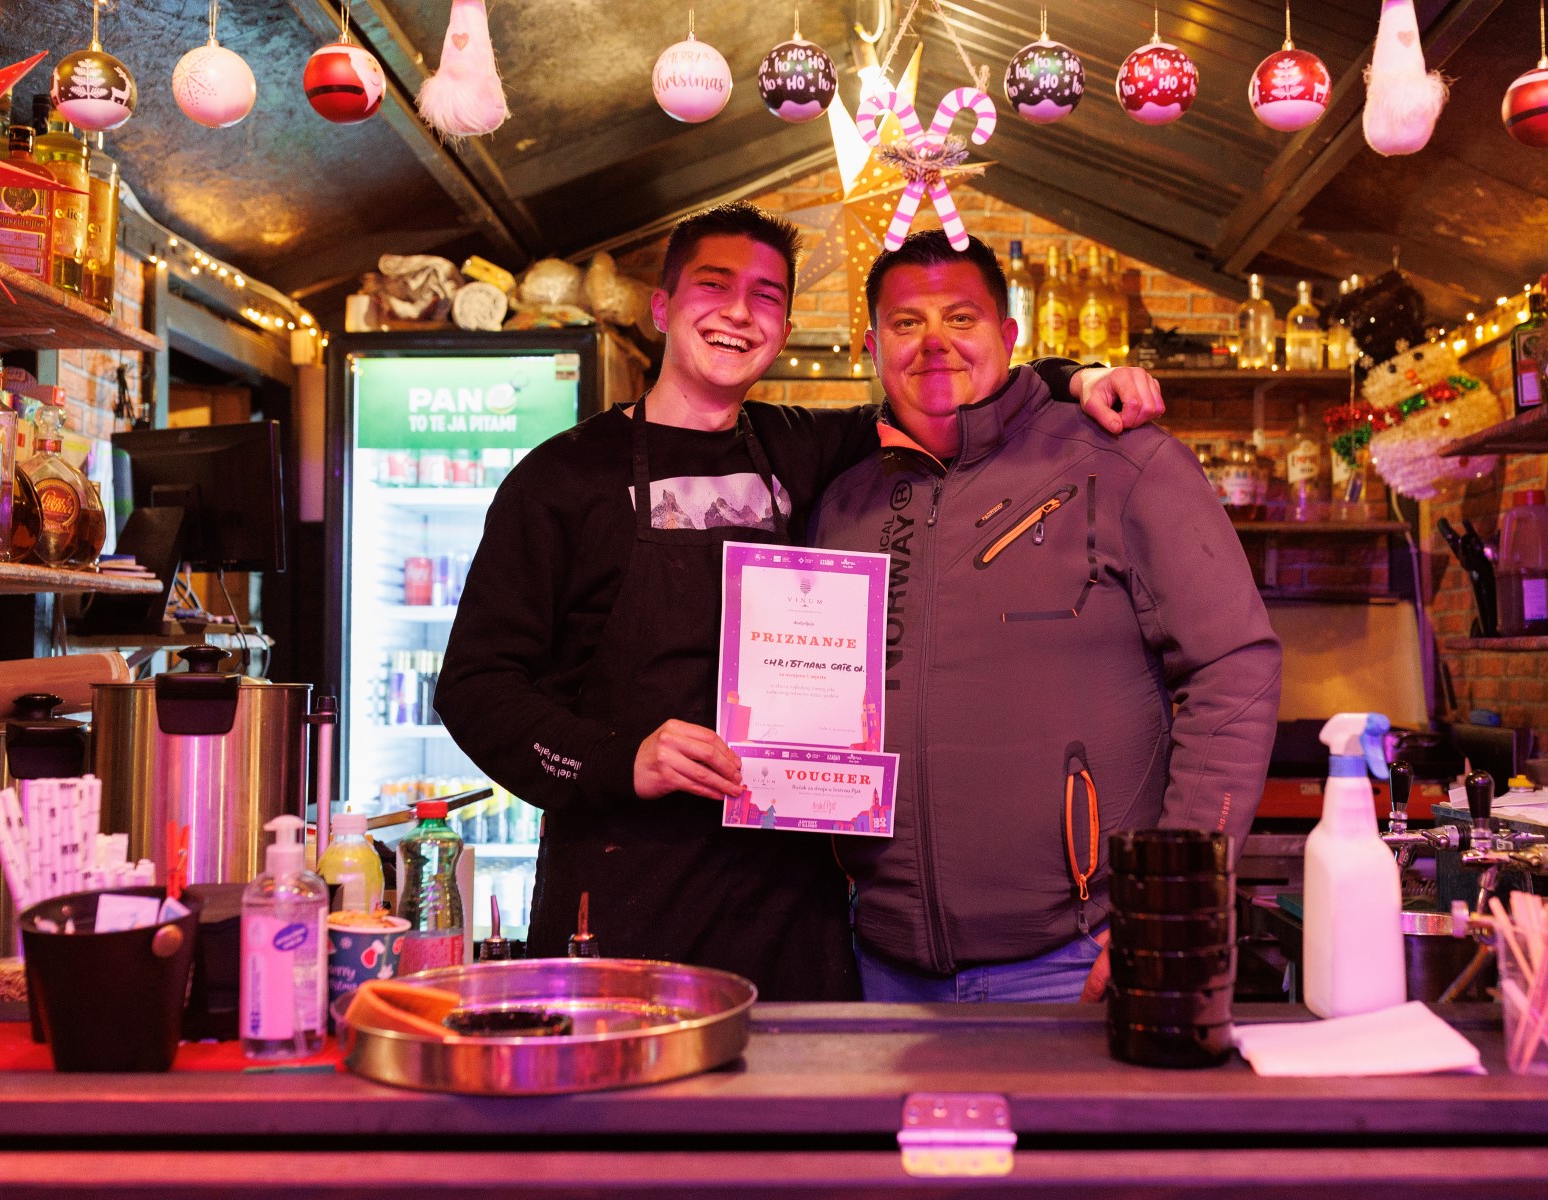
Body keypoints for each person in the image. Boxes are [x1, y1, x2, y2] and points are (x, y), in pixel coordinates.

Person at [435, 202, 1163, 1000]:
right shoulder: (560, 479)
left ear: (783, 329)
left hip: (787, 906)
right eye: (714, 286)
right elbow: (475, 688)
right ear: (662, 308)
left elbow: (947, 383)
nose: (739, 313)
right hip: (622, 892)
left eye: (767, 296)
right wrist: (620, 758)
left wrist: (1078, 377)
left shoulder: (802, 445)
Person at [811, 230, 1282, 1004]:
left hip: (1076, 961)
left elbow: (1234, 669)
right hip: (881, 964)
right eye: (906, 322)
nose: (934, 342)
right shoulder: (842, 502)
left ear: (1009, 336)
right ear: (872, 347)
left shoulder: (1124, 463)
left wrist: (1172, 899)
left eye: (961, 318)